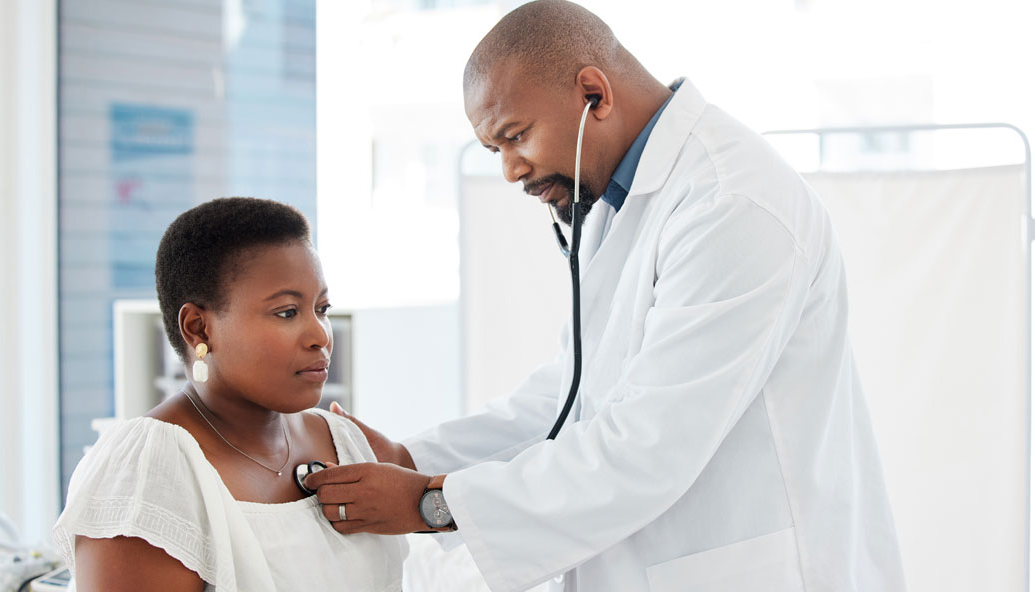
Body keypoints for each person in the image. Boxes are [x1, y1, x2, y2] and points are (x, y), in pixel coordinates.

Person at [305, 1, 906, 590]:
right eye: (496, 151)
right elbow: (573, 394)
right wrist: (412, 459)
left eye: (516, 137)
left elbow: (648, 447)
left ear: (595, 94)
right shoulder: (619, 199)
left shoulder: (732, 202)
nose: (511, 171)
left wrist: (430, 504)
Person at [53, 198, 406, 591]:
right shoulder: (150, 470)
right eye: (287, 312)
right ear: (199, 329)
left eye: (321, 308)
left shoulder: (343, 440)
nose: (321, 335)